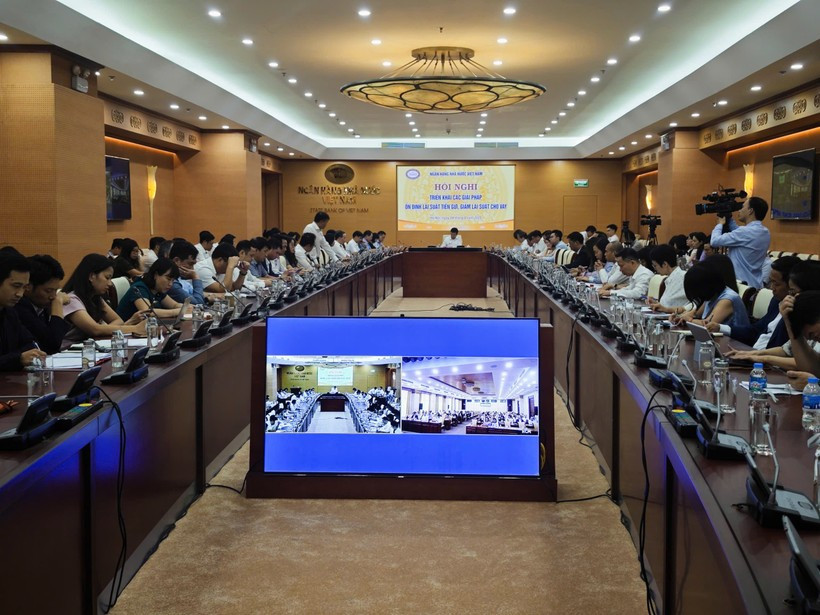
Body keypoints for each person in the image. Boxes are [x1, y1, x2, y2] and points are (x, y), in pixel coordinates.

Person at [61, 254, 147, 340]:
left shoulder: (95, 298)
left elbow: (118, 321)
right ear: (91, 276)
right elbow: (94, 329)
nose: (110, 284)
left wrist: (104, 330)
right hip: (67, 350)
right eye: (107, 278)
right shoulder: (71, 300)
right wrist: (135, 328)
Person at [709, 196, 771, 288]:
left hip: (741, 285)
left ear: (750, 211)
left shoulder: (745, 232)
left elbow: (714, 241)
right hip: (755, 283)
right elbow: (739, 233)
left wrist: (719, 224)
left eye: (742, 207)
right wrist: (729, 218)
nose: (739, 210)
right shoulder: (765, 232)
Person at [15, 255, 71, 354]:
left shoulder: (40, 305)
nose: (53, 296)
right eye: (48, 290)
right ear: (28, 286)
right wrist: (57, 303)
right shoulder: (19, 306)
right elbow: (52, 344)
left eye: (56, 290)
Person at [0, 252, 46, 370]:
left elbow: (30, 344)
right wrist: (18, 358)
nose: (20, 294)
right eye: (16, 286)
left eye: (24, 287)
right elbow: (21, 356)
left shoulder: (10, 312)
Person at [676, 260, 750, 328]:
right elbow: (696, 314)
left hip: (735, 341)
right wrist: (679, 317)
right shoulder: (712, 294)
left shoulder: (727, 299)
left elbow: (708, 325)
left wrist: (689, 320)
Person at [116, 258, 184, 321]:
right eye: (168, 279)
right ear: (156, 275)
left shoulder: (158, 290)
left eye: (173, 280)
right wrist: (177, 311)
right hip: (127, 331)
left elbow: (174, 305)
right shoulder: (139, 288)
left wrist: (189, 307)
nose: (170, 284)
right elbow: (148, 312)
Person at [646, 244, 688, 312]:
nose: (655, 269)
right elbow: (670, 303)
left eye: (655, 265)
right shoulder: (670, 278)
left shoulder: (684, 278)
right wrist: (657, 304)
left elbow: (688, 306)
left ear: (664, 264)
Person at [167, 241, 207, 305]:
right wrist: (196, 277)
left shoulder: (179, 279)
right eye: (190, 264)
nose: (192, 269)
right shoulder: (171, 284)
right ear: (176, 261)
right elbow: (198, 304)